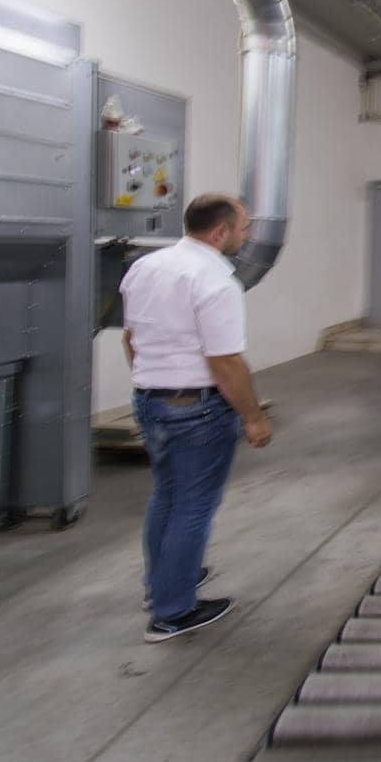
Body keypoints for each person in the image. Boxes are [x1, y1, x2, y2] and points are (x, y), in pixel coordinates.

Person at [121, 193, 272, 642]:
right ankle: (173, 612)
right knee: (194, 506)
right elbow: (226, 362)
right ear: (220, 232)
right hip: (198, 409)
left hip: (151, 400)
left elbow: (131, 339)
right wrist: (253, 418)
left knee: (166, 495)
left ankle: (160, 585)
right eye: (244, 227)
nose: (247, 236)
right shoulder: (217, 280)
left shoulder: (145, 267)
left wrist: (157, 382)